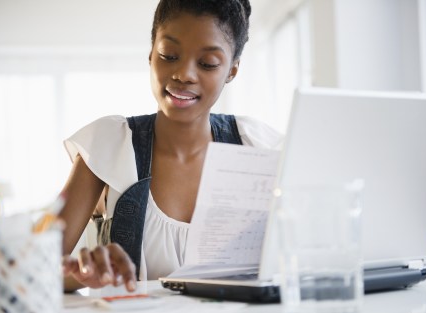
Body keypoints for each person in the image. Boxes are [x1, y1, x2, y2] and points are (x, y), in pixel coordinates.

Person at [59, 0, 283, 292]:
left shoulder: (256, 148)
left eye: (207, 63)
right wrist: (83, 276)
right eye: (169, 55)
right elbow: (29, 273)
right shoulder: (108, 146)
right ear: (151, 54)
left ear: (232, 70)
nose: (184, 74)